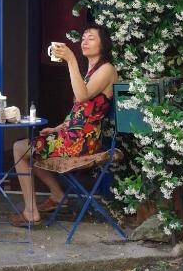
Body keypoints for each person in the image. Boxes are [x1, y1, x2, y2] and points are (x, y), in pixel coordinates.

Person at [9, 24, 117, 228]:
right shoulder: (91, 72)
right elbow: (80, 111)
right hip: (74, 137)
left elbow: (83, 96)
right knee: (28, 148)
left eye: (91, 38)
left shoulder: (107, 69)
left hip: (83, 144)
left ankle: (31, 212)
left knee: (20, 149)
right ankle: (57, 194)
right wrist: (58, 128)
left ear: (104, 44)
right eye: (83, 38)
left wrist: (70, 60)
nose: (84, 41)